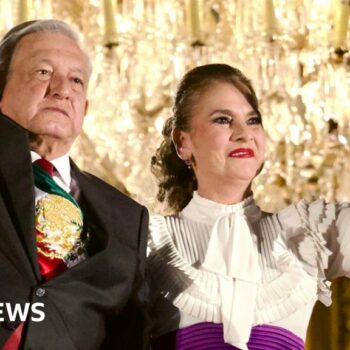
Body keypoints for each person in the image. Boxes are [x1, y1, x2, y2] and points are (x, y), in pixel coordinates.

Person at [147, 63, 350, 350]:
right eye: (222, 120)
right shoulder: (148, 241)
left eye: (253, 120)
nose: (244, 133)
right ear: (183, 141)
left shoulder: (310, 231)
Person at [0, 20, 148, 349]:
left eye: (77, 80)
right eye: (42, 72)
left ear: (85, 109)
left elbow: (130, 333)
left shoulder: (127, 216)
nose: (62, 89)